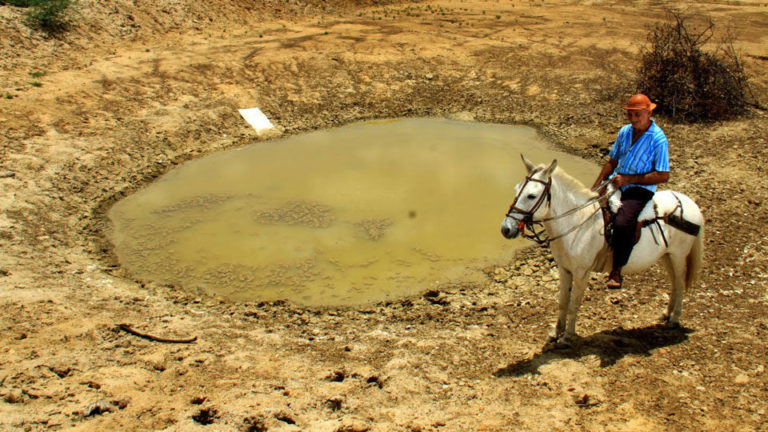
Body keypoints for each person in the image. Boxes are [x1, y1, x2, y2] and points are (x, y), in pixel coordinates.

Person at [592, 94, 669, 289]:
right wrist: (595, 187)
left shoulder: (658, 139)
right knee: (591, 211)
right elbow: (612, 161)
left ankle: (617, 270)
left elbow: (663, 175)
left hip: (640, 188)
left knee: (622, 222)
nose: (633, 119)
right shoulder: (625, 132)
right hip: (617, 182)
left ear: (649, 113)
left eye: (638, 115)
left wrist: (628, 179)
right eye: (630, 115)